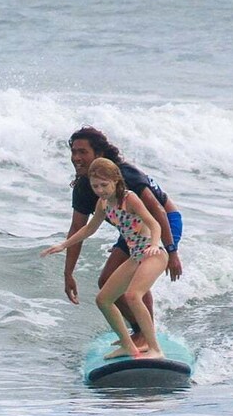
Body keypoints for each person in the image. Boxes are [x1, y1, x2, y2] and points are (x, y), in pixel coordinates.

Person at [65, 126, 183, 348]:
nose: (76, 157)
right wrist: (68, 273)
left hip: (165, 222)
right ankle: (139, 331)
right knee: (106, 281)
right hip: (133, 231)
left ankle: (147, 336)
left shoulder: (124, 175)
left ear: (99, 153)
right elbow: (77, 229)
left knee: (137, 281)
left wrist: (171, 250)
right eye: (74, 152)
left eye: (83, 152)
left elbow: (157, 212)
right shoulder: (85, 187)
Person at [41, 158, 167, 359]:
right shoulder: (103, 204)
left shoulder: (130, 199)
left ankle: (155, 349)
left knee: (133, 295)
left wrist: (153, 244)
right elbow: (89, 229)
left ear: (116, 180)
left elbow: (154, 224)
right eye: (95, 186)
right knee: (103, 300)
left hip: (154, 254)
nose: (100, 190)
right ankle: (128, 346)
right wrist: (64, 245)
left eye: (104, 185)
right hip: (136, 256)